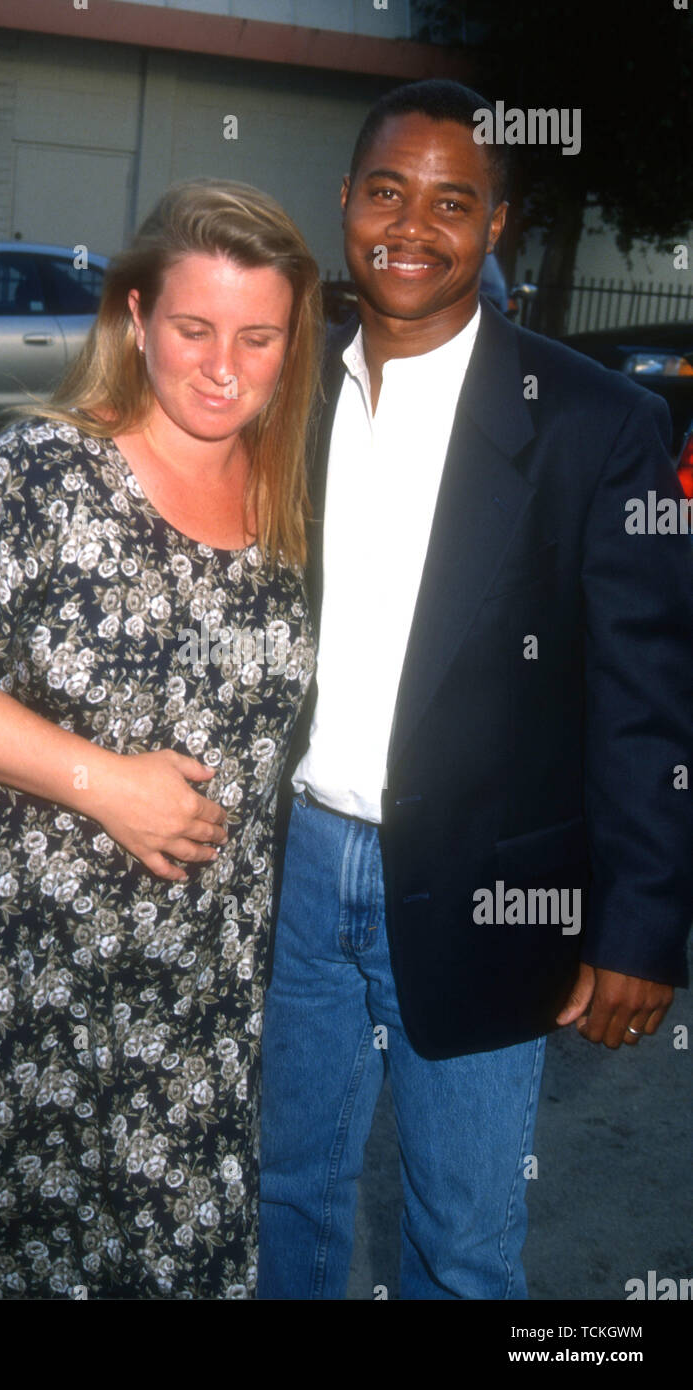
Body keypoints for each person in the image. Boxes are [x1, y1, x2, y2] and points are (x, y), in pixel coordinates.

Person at [0, 179, 321, 1299]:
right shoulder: (41, 474)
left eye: (258, 336)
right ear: (134, 319)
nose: (224, 364)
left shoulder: (291, 507)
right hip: (13, 983)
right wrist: (106, 783)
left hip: (193, 1002)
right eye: (192, 327)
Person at [257, 80, 693, 1301]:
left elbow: (645, 695)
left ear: (495, 223)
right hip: (293, 868)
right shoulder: (290, 391)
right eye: (387, 191)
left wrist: (639, 927)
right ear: (345, 202)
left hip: (490, 885)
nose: (413, 226)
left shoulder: (598, 422)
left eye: (454, 202)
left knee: (462, 1245)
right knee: (284, 1194)